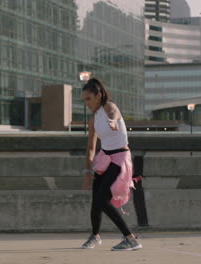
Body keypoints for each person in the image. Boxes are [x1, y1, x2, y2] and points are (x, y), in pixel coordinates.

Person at [80, 78, 142, 251]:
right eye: (84, 100)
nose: (86, 103)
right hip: (105, 158)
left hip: (120, 158)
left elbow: (114, 114)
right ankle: (95, 236)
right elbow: (91, 146)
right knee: (96, 200)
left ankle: (130, 239)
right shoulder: (93, 119)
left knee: (102, 199)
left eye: (88, 99)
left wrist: (113, 121)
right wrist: (87, 169)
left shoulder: (109, 107)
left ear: (98, 95)